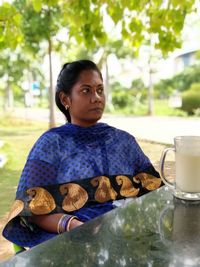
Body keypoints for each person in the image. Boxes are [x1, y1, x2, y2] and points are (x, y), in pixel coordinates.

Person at [3, 59, 162, 249]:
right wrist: (74, 226)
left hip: (127, 238)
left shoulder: (123, 141)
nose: (97, 98)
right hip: (71, 243)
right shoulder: (51, 144)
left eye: (100, 90)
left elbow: (155, 193)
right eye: (86, 90)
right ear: (65, 99)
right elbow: (31, 209)